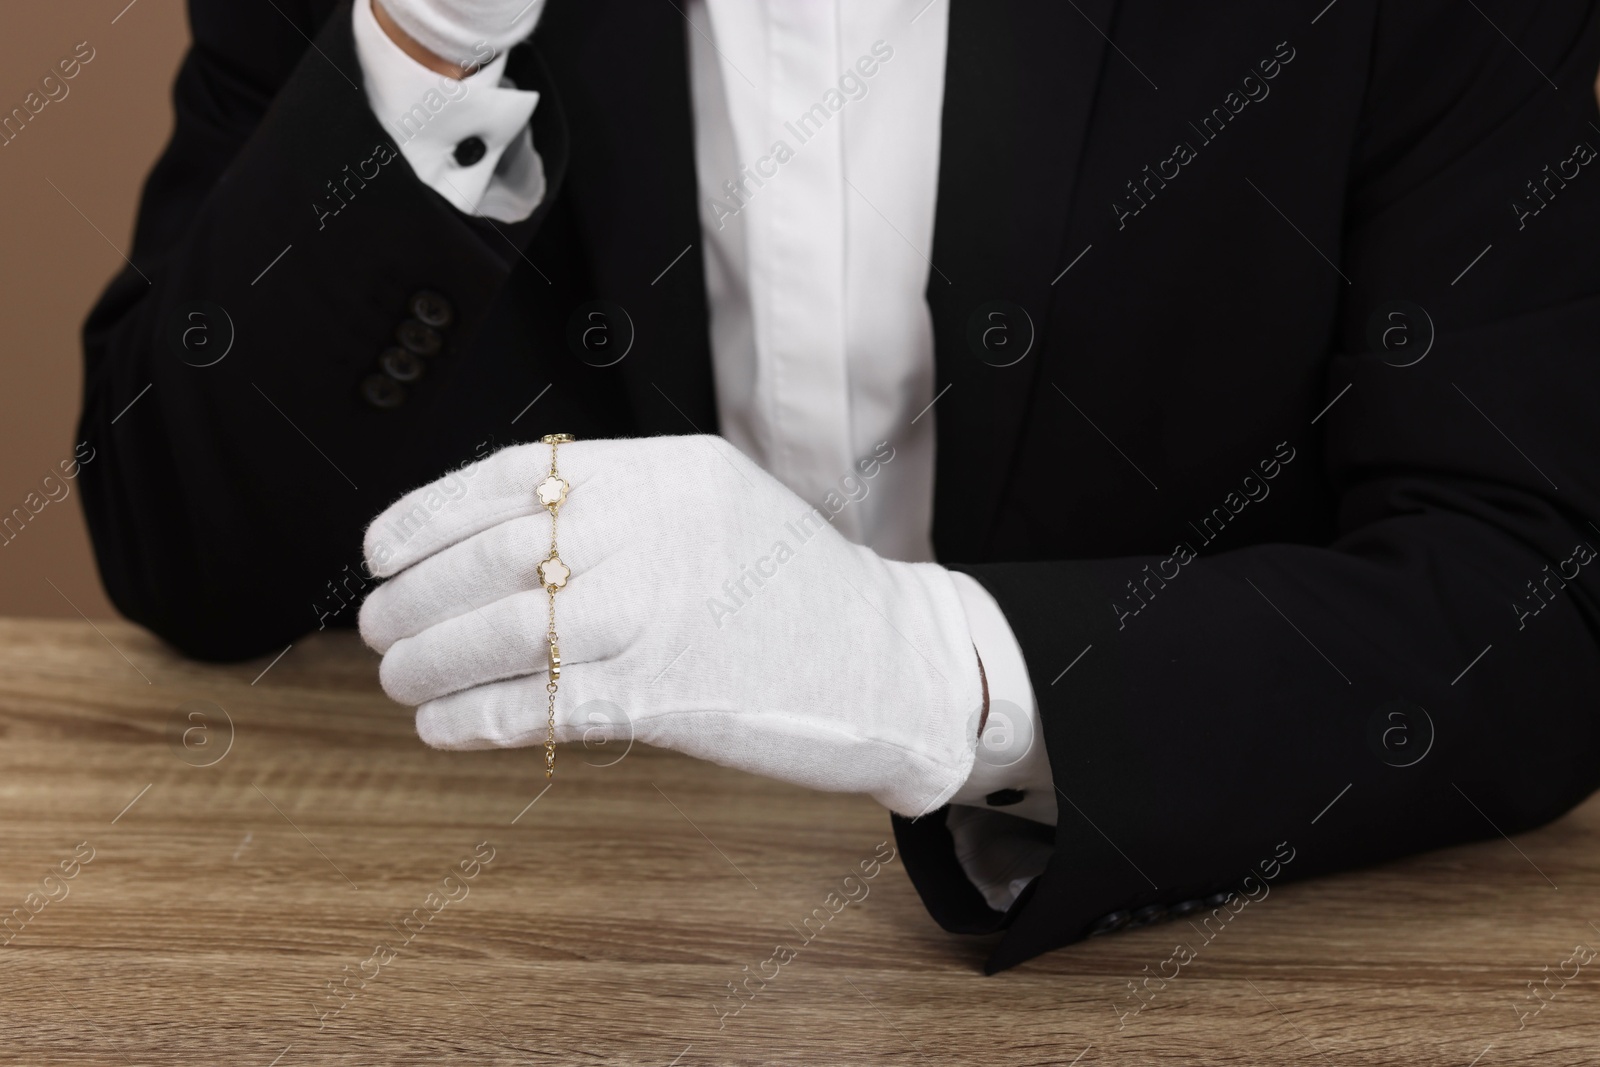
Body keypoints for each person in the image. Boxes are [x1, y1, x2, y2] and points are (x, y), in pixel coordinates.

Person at [78, 0, 1600, 974]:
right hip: (566, 948)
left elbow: (1535, 592)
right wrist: (423, 45)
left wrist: (938, 679)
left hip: (1193, 957)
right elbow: (180, 542)